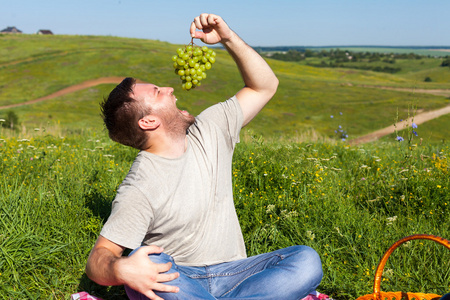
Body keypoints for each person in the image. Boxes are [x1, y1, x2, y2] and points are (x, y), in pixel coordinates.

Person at [85, 13, 323, 300]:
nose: (171, 89)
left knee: (305, 260)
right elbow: (99, 257)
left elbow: (264, 86)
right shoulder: (139, 185)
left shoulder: (209, 129)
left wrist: (227, 38)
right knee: (148, 266)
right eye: (158, 92)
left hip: (236, 274)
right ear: (148, 122)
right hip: (181, 277)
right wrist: (122, 269)